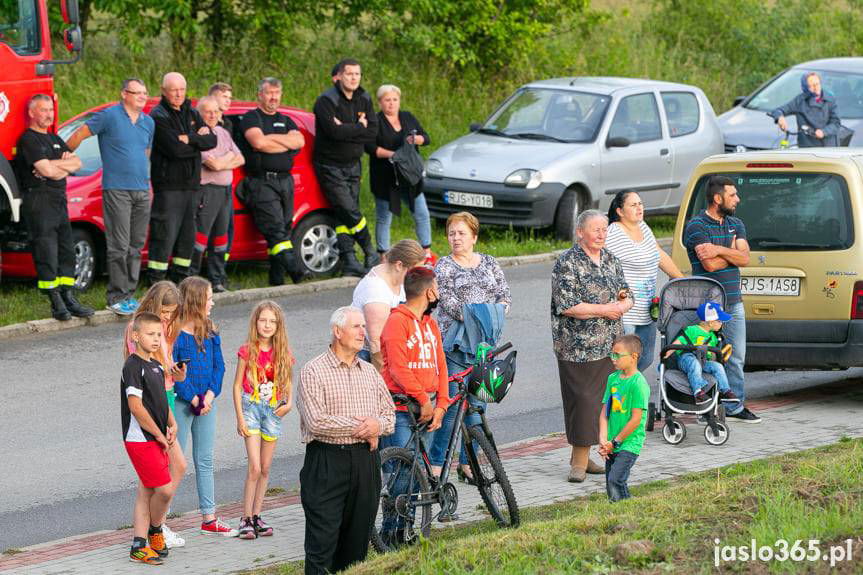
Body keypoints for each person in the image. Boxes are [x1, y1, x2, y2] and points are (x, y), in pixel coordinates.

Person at [296, 306, 395, 575]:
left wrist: (377, 425)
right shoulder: (313, 371)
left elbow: (389, 416)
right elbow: (317, 422)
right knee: (322, 546)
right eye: (356, 327)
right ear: (337, 332)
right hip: (327, 463)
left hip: (365, 463)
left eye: (364, 326)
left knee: (356, 548)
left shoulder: (370, 372)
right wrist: (363, 427)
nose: (363, 332)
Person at [551, 209, 633, 483]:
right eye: (595, 229)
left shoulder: (611, 259)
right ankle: (579, 461)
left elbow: (626, 292)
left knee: (603, 403)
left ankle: (585, 458)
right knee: (582, 402)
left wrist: (623, 304)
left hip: (610, 344)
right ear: (580, 232)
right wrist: (606, 309)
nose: (601, 234)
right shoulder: (567, 262)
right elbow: (568, 305)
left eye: (604, 229)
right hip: (577, 346)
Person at [428, 211, 511, 483]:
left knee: (478, 406)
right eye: (451, 233)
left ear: (474, 237)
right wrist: (488, 314)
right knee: (451, 409)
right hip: (456, 348)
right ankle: (437, 466)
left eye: (461, 233)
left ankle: (469, 464)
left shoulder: (488, 262)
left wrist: (490, 312)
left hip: (485, 348)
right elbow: (450, 305)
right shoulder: (444, 266)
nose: (456, 238)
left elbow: (504, 296)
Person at [67, 78, 154, 316]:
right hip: (117, 189)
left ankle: (129, 294)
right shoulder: (109, 116)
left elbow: (145, 153)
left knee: (136, 245)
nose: (142, 97)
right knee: (119, 245)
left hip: (141, 190)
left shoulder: (148, 122)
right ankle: (116, 297)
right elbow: (81, 133)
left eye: (145, 94)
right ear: (124, 93)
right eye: (138, 93)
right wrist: (63, 155)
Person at [378, 266, 448, 546]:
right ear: (430, 292)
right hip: (402, 408)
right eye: (438, 289)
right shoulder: (397, 322)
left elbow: (440, 364)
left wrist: (441, 403)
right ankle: (390, 533)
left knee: (418, 470)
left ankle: (408, 531)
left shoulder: (430, 324)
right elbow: (398, 368)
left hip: (429, 406)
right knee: (400, 471)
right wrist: (422, 400)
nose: (439, 293)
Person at [684, 176, 761, 424]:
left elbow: (746, 259)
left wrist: (719, 249)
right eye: (732, 195)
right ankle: (706, 407)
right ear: (718, 199)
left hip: (734, 302)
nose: (737, 199)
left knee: (736, 356)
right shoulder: (696, 226)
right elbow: (709, 265)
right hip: (708, 305)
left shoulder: (735, 223)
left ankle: (734, 406)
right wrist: (732, 252)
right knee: (707, 356)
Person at [122, 280, 188, 549]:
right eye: (165, 311)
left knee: (149, 483)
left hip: (166, 397)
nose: (167, 318)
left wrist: (176, 373)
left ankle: (149, 531)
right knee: (171, 471)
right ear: (154, 302)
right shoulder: (139, 330)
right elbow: (142, 367)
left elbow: (162, 366)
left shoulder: (162, 329)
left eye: (172, 313)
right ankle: (156, 527)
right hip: (148, 405)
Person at [17, 94, 94, 321]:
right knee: (46, 251)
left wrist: (54, 166)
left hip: (59, 200)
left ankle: (68, 296)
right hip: (39, 200)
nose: (49, 114)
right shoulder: (29, 140)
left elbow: (76, 163)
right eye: (43, 110)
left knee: (66, 250)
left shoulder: (55, 139)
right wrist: (58, 167)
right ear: (32, 113)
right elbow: (50, 171)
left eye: (51, 109)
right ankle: (55, 301)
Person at [171, 276, 237, 536]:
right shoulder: (176, 335)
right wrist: (193, 398)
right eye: (209, 298)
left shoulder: (210, 330)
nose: (212, 302)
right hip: (182, 403)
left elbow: (218, 366)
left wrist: (210, 394)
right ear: (196, 300)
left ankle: (209, 517)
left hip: (206, 403)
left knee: (206, 459)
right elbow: (175, 373)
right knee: (176, 462)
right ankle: (159, 521)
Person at [146, 72, 217, 285]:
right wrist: (197, 141)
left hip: (191, 187)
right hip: (168, 189)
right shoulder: (158, 115)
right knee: (164, 237)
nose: (178, 94)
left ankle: (181, 284)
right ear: (164, 90)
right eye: (173, 90)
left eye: (181, 89)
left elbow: (211, 140)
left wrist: (190, 139)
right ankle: (156, 285)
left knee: (187, 238)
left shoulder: (192, 113)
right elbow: (175, 149)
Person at [232, 301, 294, 540]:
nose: (267, 325)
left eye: (272, 321)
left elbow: (288, 387)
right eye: (263, 320)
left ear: (278, 326)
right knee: (255, 467)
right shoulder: (247, 350)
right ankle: (245, 517)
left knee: (266, 468)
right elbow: (237, 386)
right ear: (255, 322)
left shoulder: (283, 354)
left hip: (272, 411)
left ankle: (257, 515)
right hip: (251, 409)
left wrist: (287, 405)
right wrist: (240, 418)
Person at [313, 58, 379, 277]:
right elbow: (333, 133)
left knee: (343, 214)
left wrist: (348, 129)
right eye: (349, 74)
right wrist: (358, 127)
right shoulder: (326, 101)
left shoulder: (364, 98)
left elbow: (372, 132)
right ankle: (370, 250)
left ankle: (349, 259)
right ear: (339, 76)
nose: (353, 78)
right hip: (330, 166)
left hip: (353, 165)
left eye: (357, 74)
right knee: (350, 210)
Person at [240, 77, 309, 285]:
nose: (273, 97)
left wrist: (272, 140)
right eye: (269, 93)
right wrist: (283, 142)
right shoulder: (251, 118)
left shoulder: (286, 119)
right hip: (262, 183)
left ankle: (276, 279)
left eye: (277, 93)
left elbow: (299, 141)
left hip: (286, 182)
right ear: (260, 94)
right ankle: (296, 270)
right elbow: (258, 142)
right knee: (275, 228)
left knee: (285, 228)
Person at [605, 189, 683, 372]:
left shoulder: (644, 227)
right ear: (620, 211)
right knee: (623, 361)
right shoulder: (613, 233)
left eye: (640, 203)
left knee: (645, 357)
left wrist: (681, 279)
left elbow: (659, 254)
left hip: (647, 309)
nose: (639, 208)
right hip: (626, 311)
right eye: (633, 205)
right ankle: (617, 398)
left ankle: (628, 391)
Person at [365, 84, 433, 261]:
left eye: (395, 99)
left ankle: (426, 251)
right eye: (387, 100)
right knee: (384, 217)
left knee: (421, 213)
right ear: (380, 102)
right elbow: (370, 147)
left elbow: (426, 138)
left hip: (409, 177)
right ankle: (383, 255)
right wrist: (394, 155)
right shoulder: (375, 121)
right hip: (385, 177)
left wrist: (417, 139)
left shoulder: (407, 117)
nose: (391, 103)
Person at [192, 96, 244, 292]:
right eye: (208, 111)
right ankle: (193, 280)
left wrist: (222, 162)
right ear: (199, 113)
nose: (213, 115)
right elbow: (211, 164)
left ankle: (216, 280)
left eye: (216, 111)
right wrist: (226, 159)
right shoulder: (197, 134)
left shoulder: (222, 132)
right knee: (200, 237)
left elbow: (240, 158)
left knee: (221, 238)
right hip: (207, 192)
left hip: (225, 192)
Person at [351, 238, 426, 370]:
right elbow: (376, 348)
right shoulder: (376, 292)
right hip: (364, 354)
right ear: (398, 265)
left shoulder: (395, 274)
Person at [598, 334, 649, 502]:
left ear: (633, 357)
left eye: (617, 355)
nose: (613, 359)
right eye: (612, 354)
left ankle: (622, 511)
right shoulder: (612, 379)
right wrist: (604, 440)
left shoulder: (638, 384)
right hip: (612, 442)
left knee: (615, 480)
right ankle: (623, 510)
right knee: (611, 484)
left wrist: (615, 442)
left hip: (629, 443)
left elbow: (635, 420)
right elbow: (605, 412)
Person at [664, 301, 739, 404]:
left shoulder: (713, 336)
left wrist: (719, 356)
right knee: (694, 363)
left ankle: (725, 391)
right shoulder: (692, 330)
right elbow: (677, 343)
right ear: (711, 322)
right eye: (720, 321)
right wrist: (664, 356)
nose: (722, 323)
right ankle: (698, 392)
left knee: (718, 367)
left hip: (703, 361)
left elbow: (712, 355)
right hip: (686, 359)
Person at [768, 72, 841, 148]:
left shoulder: (830, 100)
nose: (816, 88)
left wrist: (823, 132)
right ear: (805, 87)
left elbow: (836, 123)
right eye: (811, 86)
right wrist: (780, 117)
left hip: (828, 147)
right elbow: (777, 111)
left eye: (817, 84)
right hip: (807, 147)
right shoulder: (800, 101)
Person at [208, 82, 236, 265]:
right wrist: (227, 159)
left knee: (227, 230)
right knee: (208, 231)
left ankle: (220, 269)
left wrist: (225, 161)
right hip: (209, 187)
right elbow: (211, 160)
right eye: (224, 97)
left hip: (227, 185)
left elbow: (236, 155)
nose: (228, 101)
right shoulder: (204, 122)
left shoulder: (228, 124)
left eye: (230, 98)